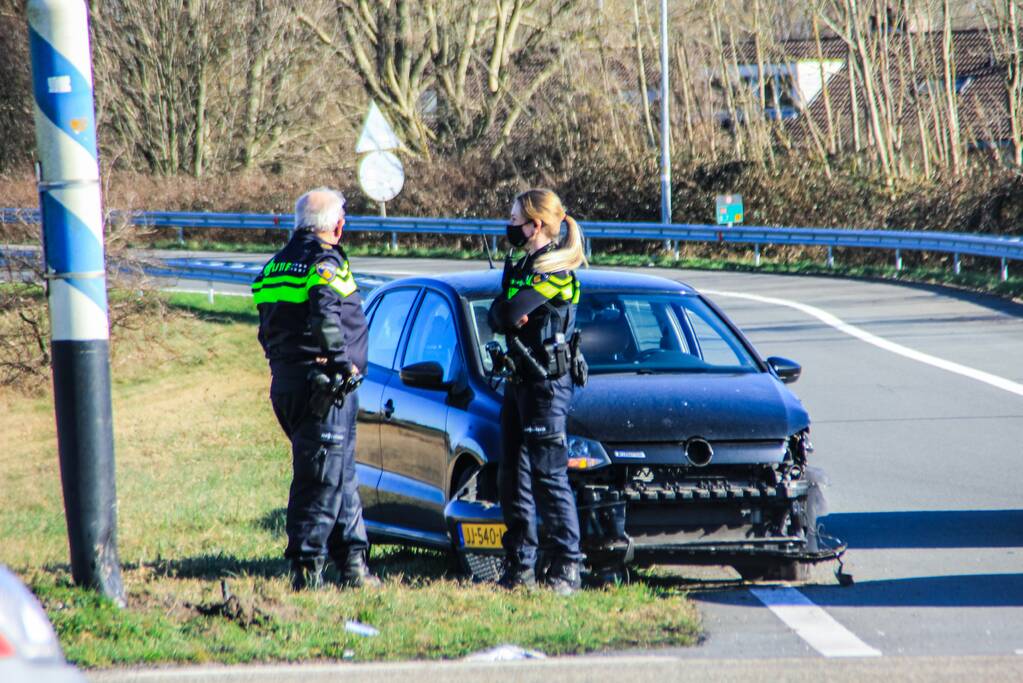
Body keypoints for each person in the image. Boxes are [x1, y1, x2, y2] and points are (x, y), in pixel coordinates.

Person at [252, 188, 379, 590]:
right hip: (324, 386)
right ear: (337, 226)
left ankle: (354, 564)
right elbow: (326, 314)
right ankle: (307, 569)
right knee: (320, 480)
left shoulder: (274, 266)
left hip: (289, 383)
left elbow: (266, 329)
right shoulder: (324, 262)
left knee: (339, 475)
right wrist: (341, 363)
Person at [488, 188, 587, 595]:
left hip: (546, 384)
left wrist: (509, 314)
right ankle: (520, 568)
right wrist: (508, 314)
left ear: (537, 225)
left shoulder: (554, 271)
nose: (510, 225)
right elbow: (497, 316)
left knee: (548, 477)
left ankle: (567, 568)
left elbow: (507, 313)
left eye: (515, 219)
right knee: (512, 476)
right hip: (518, 380)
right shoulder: (522, 264)